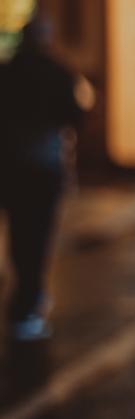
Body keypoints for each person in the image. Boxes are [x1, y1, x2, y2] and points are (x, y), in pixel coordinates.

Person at [0, 19, 83, 340]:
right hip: (44, 164)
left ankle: (24, 295)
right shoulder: (58, 72)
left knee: (20, 232)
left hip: (12, 165)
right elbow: (74, 115)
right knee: (38, 233)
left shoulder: (7, 72)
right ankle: (28, 300)